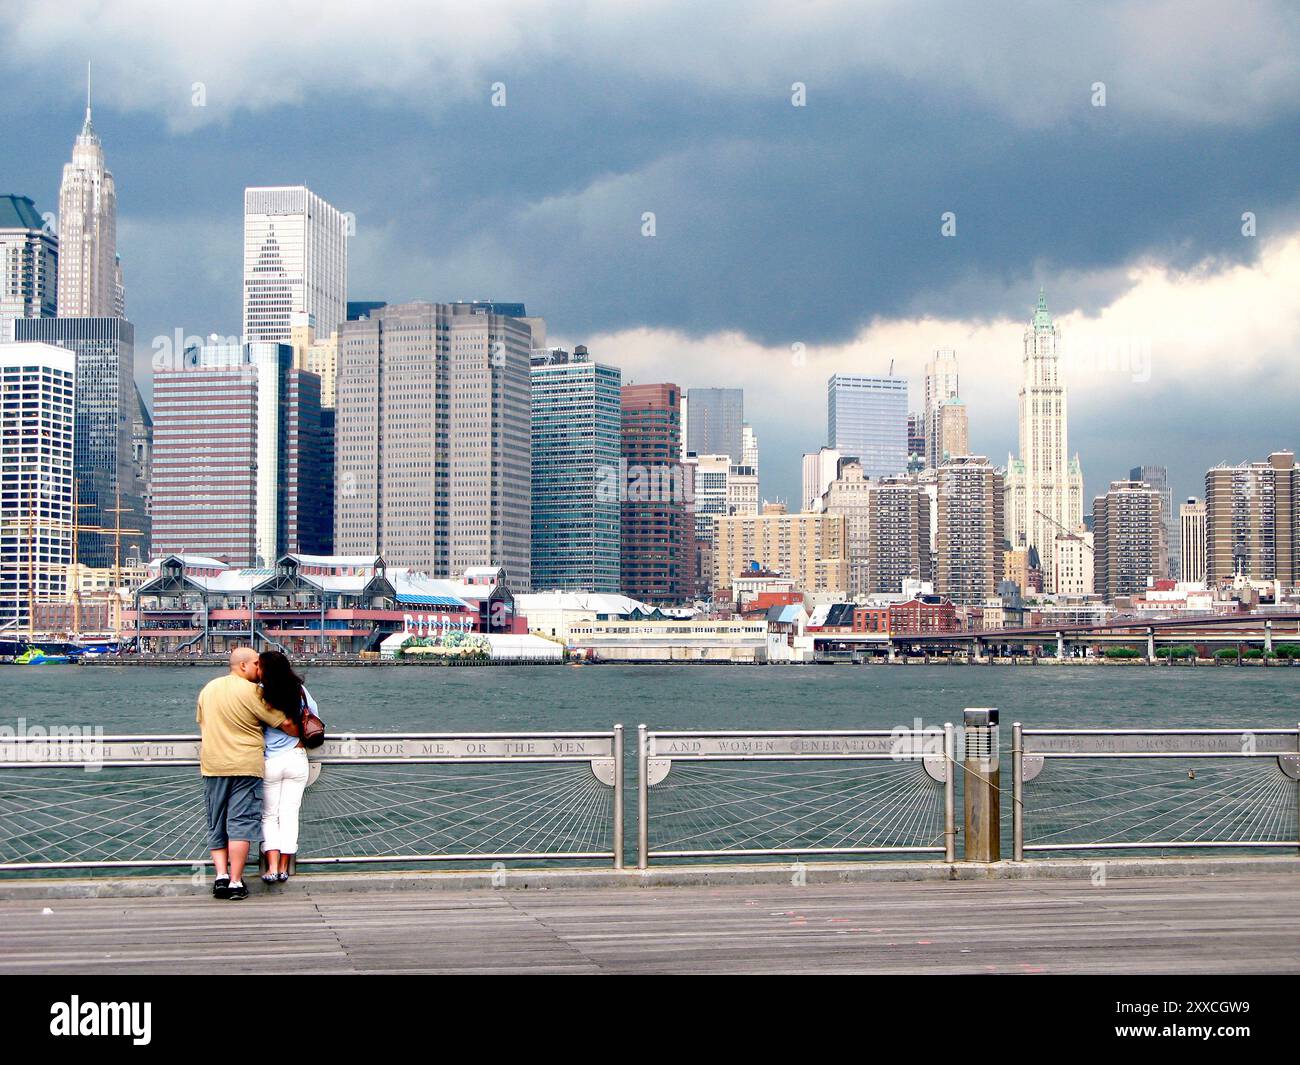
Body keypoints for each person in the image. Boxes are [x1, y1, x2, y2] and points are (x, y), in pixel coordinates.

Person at [196, 647, 294, 901]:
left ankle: (220, 877)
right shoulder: (254, 692)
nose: (259, 670)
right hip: (246, 766)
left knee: (216, 822)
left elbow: (202, 721)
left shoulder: (208, 689)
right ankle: (236, 882)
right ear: (243, 666)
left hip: (213, 764)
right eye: (255, 664)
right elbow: (285, 723)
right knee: (241, 824)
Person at [257, 650, 320, 884]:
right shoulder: (300, 690)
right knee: (290, 814)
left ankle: (271, 867)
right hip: (296, 756)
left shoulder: (260, 693)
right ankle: (285, 867)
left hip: (270, 760)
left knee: (269, 816)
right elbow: (314, 716)